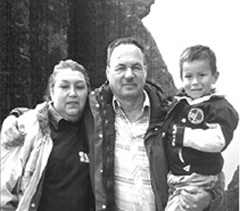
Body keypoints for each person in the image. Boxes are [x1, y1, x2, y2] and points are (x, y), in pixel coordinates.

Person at [1, 38, 223, 211]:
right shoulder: (95, 112)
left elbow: (211, 167)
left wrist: (209, 198)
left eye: (136, 67)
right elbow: (54, 111)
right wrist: (15, 117)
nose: (129, 74)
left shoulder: (172, 115)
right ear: (108, 73)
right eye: (120, 68)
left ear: (146, 70)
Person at [1, 60, 94, 211]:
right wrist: (14, 117)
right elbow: (4, 191)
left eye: (79, 87)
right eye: (64, 86)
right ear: (52, 91)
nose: (73, 93)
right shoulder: (26, 127)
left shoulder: (95, 129)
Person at [164, 45, 239, 211]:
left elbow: (218, 140)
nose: (195, 82)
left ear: (214, 77)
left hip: (198, 178)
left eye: (202, 75)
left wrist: (186, 136)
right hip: (176, 177)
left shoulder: (218, 106)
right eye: (189, 76)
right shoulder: (180, 102)